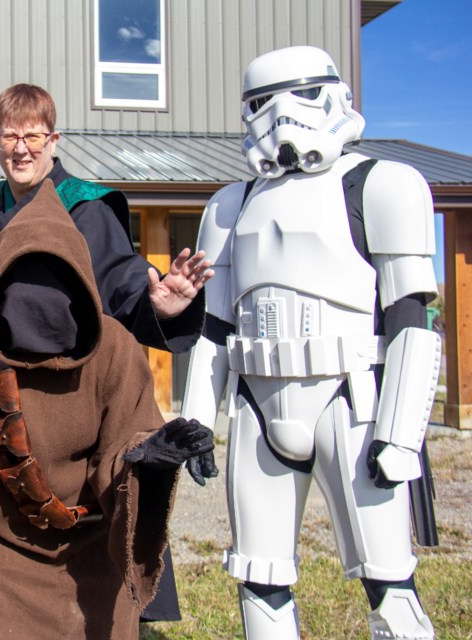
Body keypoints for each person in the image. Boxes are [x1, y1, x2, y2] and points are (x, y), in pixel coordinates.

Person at [0, 82, 216, 619]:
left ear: (55, 139)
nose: (22, 148)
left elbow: (119, 273)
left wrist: (160, 303)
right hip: (3, 406)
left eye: (34, 135)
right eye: (10, 136)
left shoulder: (84, 205)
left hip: (71, 404)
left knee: (84, 566)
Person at [0, 179, 214, 640]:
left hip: (90, 557)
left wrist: (153, 457)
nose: (38, 303)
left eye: (54, 281)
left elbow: (125, 445)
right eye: (22, 280)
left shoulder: (114, 348)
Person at [181, 46, 438, 639]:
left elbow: (411, 320)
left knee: (388, 579)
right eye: (261, 104)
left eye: (298, 96)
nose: (279, 116)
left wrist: (400, 434)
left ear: (334, 96)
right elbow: (214, 328)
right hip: (257, 406)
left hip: (350, 400)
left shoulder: (381, 185)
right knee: (260, 579)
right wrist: (198, 419)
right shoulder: (230, 204)